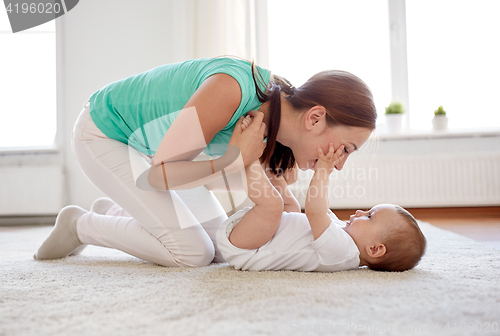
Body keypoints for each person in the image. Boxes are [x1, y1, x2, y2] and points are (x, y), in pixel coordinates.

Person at [34, 55, 377, 268]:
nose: (341, 162)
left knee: (217, 244)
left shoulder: (273, 121)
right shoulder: (233, 90)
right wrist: (231, 160)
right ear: (315, 118)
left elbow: (281, 212)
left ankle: (117, 209)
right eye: (346, 148)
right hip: (105, 135)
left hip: (154, 154)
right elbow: (160, 176)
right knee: (192, 254)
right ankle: (80, 224)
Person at [216, 135, 427, 272]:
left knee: (273, 205)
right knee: (290, 207)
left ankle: (248, 157)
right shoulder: (344, 236)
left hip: (249, 248)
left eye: (369, 216)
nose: (361, 211)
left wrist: (323, 170)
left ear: (374, 249)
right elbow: (321, 211)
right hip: (260, 234)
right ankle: (273, 171)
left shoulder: (343, 252)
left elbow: (316, 211)